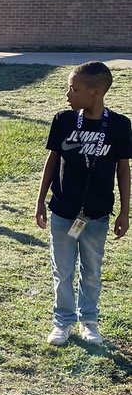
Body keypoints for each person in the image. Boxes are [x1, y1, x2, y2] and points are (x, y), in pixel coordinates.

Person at [36, 61, 131, 346]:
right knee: (62, 271)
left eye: (73, 89)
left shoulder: (119, 125)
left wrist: (125, 211)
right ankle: (62, 322)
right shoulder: (63, 120)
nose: (68, 94)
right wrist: (40, 200)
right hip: (63, 211)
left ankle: (89, 321)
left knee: (92, 271)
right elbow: (51, 161)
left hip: (98, 214)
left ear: (95, 93)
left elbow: (123, 169)